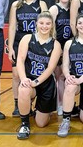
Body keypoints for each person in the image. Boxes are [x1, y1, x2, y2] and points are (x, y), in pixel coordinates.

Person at [16, 11, 62, 139]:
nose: (44, 26)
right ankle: (24, 124)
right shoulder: (27, 39)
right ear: (36, 24)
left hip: (46, 84)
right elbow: (20, 59)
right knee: (24, 90)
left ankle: (40, 111)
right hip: (29, 79)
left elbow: (51, 68)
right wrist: (24, 78)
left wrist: (36, 82)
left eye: (48, 24)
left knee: (41, 124)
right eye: (41, 23)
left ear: (52, 25)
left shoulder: (56, 45)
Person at [8, 0, 48, 117]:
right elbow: (12, 27)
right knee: (16, 74)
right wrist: (11, 47)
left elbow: (47, 23)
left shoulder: (41, 4)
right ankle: (17, 103)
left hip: (35, 43)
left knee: (33, 73)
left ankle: (32, 102)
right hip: (19, 42)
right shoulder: (15, 5)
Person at [49, 0, 72, 116]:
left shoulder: (73, 9)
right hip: (59, 47)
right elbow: (50, 29)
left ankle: (67, 103)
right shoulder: (54, 8)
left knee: (64, 76)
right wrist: (56, 48)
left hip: (69, 48)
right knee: (59, 77)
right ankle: (60, 104)